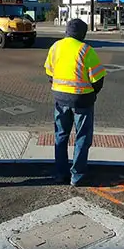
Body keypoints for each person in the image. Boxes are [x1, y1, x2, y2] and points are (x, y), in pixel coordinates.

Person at [44, 19, 106, 186]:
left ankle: (60, 173)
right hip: (82, 100)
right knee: (82, 137)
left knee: (61, 136)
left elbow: (49, 72)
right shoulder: (86, 50)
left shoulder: (55, 47)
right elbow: (98, 79)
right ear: (83, 34)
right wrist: (92, 94)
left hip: (59, 98)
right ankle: (77, 176)